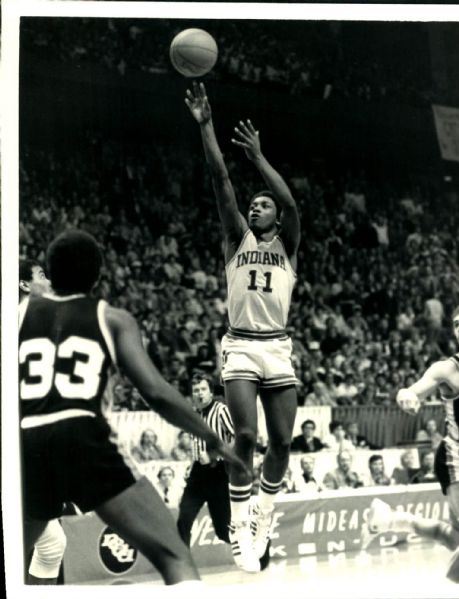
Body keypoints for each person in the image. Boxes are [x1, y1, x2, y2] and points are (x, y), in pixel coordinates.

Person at [19, 229, 248, 586]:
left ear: (50, 271)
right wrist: (213, 439)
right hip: (84, 436)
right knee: (174, 555)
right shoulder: (111, 318)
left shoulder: (17, 315)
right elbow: (156, 393)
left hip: (27, 441)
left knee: (18, 555)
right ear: (97, 275)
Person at [186, 82, 301, 572]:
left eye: (263, 204)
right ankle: (238, 526)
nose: (256, 206)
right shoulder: (236, 239)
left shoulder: (287, 243)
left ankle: (263, 518)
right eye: (253, 204)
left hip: (276, 348)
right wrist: (207, 125)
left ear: (275, 217)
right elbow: (219, 181)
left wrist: (258, 158)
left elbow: (292, 204)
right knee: (247, 436)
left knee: (282, 443)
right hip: (240, 348)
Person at [363, 306, 459, 583]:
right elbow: (416, 388)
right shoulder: (450, 368)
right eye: (456, 323)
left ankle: (390, 520)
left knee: (454, 537)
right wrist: (406, 395)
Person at [19, 260, 67, 585]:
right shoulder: (34, 314)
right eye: (40, 275)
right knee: (22, 542)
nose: (47, 280)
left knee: (52, 544)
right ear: (23, 284)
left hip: (35, 431)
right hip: (29, 436)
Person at [176, 374, 234, 547]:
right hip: (197, 475)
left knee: (223, 532)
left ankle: (258, 545)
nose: (199, 394)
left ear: (211, 392)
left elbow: (237, 439)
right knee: (183, 520)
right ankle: (183, 566)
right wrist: (192, 464)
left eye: (203, 389)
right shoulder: (193, 415)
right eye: (196, 390)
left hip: (218, 472)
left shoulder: (221, 410)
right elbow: (197, 446)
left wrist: (214, 455)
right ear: (192, 394)